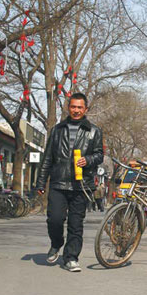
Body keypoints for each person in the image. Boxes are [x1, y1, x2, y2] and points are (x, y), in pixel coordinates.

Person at [36, 93, 103, 272]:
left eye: (80, 107)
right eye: (73, 107)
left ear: (86, 109)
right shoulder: (57, 130)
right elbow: (47, 158)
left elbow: (99, 155)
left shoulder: (94, 131)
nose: (76, 110)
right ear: (68, 108)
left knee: (76, 224)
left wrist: (88, 160)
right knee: (55, 220)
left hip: (81, 185)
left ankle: (71, 258)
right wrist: (41, 183)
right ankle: (56, 243)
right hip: (58, 183)